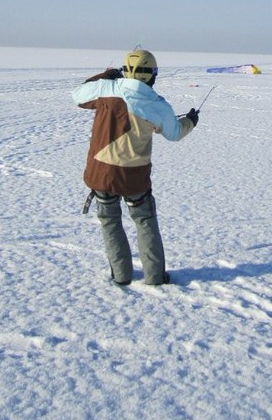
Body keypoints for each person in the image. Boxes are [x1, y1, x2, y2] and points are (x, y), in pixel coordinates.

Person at [71, 48, 199, 286]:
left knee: (110, 222)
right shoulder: (158, 105)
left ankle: (121, 276)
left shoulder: (106, 89)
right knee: (145, 221)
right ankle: (155, 278)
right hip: (134, 178)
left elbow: (78, 95)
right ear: (153, 74)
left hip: (101, 175)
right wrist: (191, 121)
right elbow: (174, 133)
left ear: (125, 70)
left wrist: (106, 75)